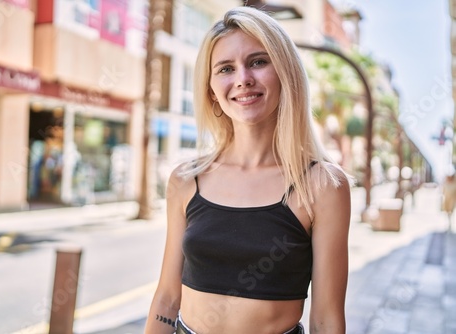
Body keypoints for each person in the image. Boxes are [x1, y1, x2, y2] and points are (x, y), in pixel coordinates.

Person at [144, 6, 352, 334]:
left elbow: (326, 320)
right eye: (226, 68)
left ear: (285, 73)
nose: (243, 80)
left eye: (258, 61)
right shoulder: (185, 180)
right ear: (211, 90)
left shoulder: (323, 186)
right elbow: (168, 298)